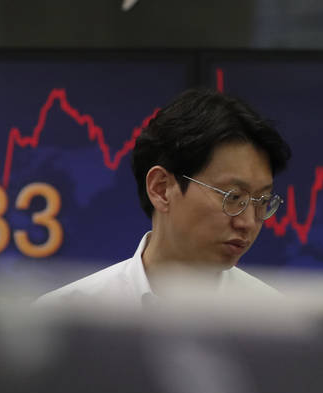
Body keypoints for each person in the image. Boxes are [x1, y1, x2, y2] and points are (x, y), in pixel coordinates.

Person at [34, 87, 291, 306]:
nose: (247, 222)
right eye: (233, 197)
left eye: (261, 201)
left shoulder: (277, 318)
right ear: (161, 189)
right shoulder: (70, 316)